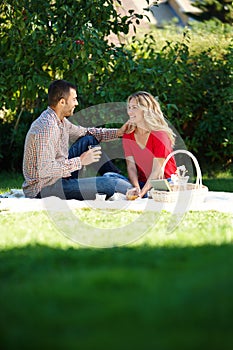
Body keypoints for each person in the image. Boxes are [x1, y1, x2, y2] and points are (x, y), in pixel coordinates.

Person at [22, 79, 130, 200]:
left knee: (89, 140)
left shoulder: (61, 121)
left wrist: (119, 132)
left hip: (59, 177)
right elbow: (46, 170)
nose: (76, 103)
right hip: (44, 188)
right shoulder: (47, 127)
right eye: (74, 99)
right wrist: (80, 161)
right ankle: (121, 183)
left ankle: (121, 180)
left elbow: (87, 132)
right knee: (109, 185)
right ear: (62, 102)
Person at [103, 91, 177, 198]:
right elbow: (131, 166)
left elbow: (156, 171)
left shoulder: (160, 135)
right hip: (143, 183)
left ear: (146, 110)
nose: (130, 112)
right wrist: (136, 187)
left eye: (134, 107)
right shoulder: (129, 135)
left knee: (161, 188)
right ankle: (140, 192)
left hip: (164, 182)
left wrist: (141, 193)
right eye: (129, 107)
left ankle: (146, 194)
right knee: (109, 176)